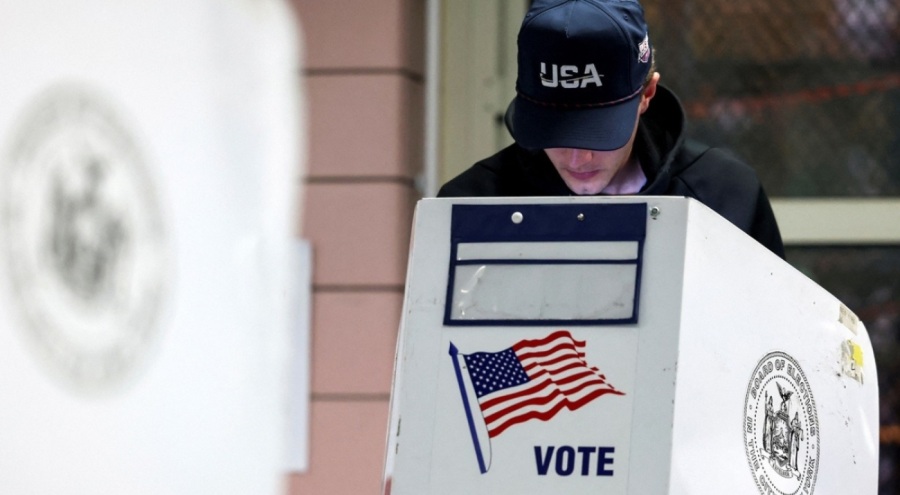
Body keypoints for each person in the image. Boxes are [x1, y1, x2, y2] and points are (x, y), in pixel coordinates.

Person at [438, 0, 785, 258]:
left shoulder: (723, 197)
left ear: (646, 95)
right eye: (555, 132)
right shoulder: (471, 205)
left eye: (599, 133)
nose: (579, 156)